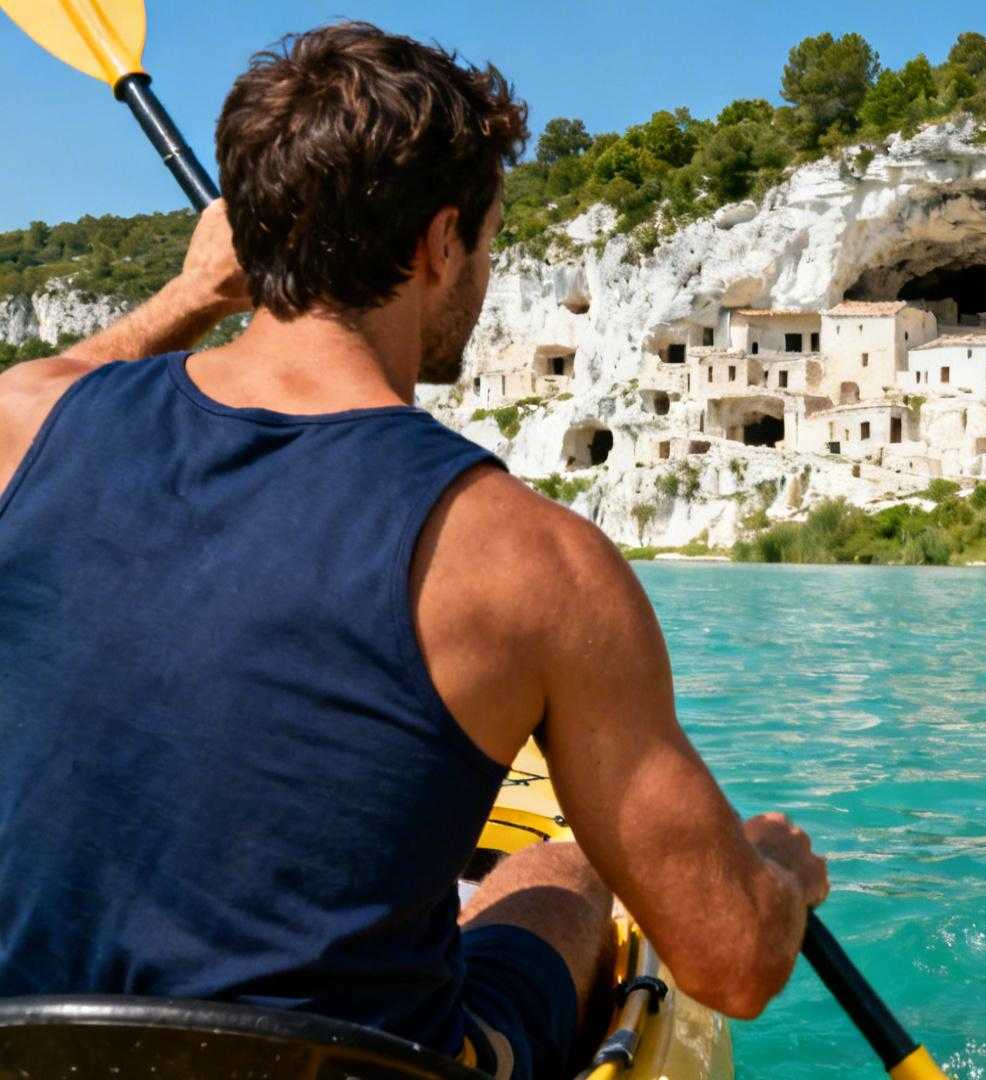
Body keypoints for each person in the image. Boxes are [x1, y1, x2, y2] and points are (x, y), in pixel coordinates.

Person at [0, 22, 826, 1080]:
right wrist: (772, 880)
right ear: (441, 243)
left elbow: (55, 378)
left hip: (38, 1050)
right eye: (486, 241)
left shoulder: (23, 429)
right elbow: (734, 965)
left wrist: (191, 296)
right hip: (353, 1068)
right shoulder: (537, 566)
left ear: (247, 239)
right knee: (563, 865)